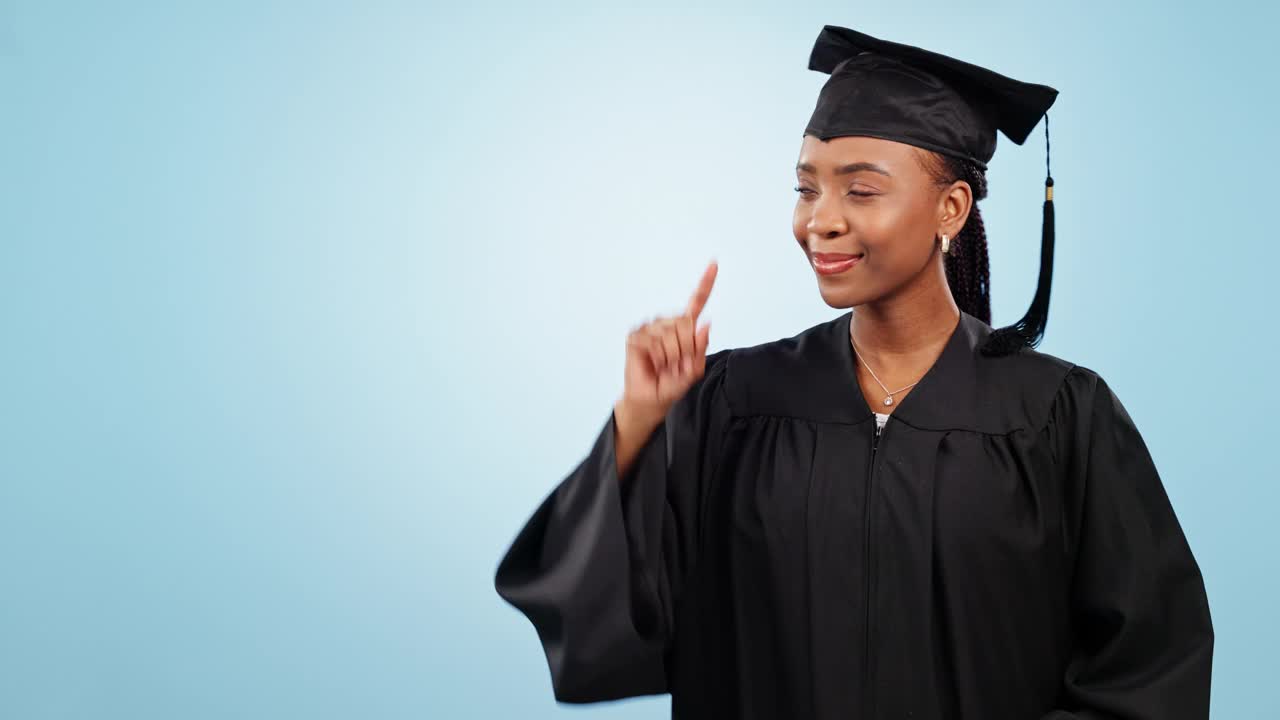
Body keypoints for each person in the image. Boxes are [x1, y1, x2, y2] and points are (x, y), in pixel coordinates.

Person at [493, 24, 1214, 720]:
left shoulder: (1058, 414)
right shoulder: (732, 402)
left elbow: (1149, 668)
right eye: (807, 188)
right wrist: (639, 423)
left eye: (860, 191)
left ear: (951, 208)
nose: (821, 221)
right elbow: (602, 630)